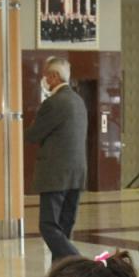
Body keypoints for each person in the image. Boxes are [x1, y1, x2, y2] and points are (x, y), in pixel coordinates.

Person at [25, 56, 87, 262]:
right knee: (64, 228)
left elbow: (33, 135)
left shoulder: (53, 103)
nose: (44, 79)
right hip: (76, 174)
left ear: (53, 76)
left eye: (45, 75)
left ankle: (79, 264)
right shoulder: (79, 101)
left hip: (55, 175)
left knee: (49, 226)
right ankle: (61, 274)